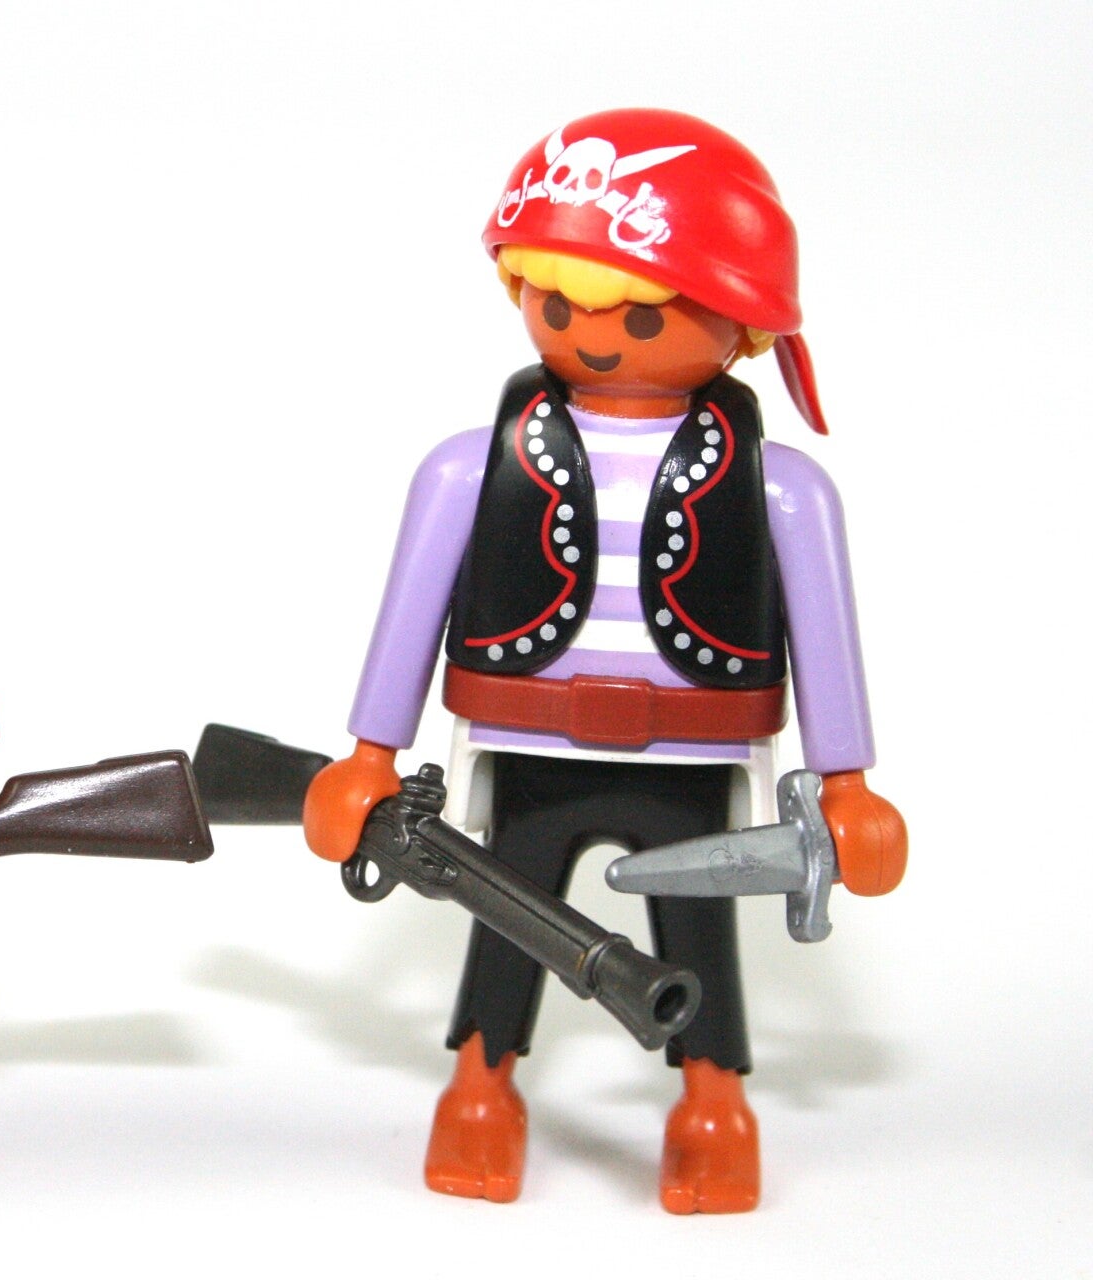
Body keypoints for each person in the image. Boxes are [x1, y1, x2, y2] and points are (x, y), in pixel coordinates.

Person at [302, 108, 906, 1214]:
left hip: (691, 760)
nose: (600, 337)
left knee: (699, 937)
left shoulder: (781, 489)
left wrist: (849, 784)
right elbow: (408, 617)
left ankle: (713, 1105)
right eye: (559, 304)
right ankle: (480, 1087)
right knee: (505, 921)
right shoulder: (469, 469)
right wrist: (368, 756)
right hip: (529, 748)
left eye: (641, 313)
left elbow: (826, 641)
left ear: (743, 324)